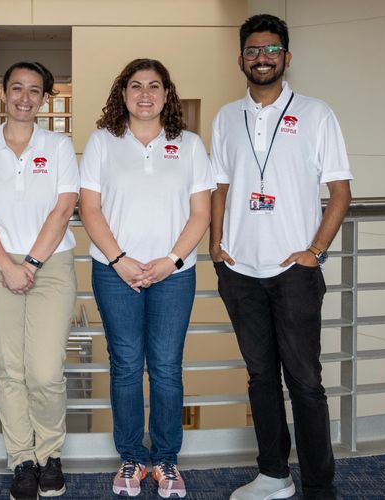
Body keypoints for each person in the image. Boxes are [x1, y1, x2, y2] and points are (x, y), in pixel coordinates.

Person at [212, 14, 353, 500]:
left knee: (306, 383)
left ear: (286, 58)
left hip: (293, 271)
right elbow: (221, 186)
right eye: (253, 51)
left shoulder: (316, 114)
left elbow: (340, 192)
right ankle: (273, 474)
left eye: (272, 50)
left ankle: (319, 485)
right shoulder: (227, 117)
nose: (262, 58)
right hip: (240, 271)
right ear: (241, 60)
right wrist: (216, 244)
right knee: (260, 379)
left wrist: (315, 251)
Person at [78, 58, 214, 499]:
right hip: (114, 272)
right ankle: (132, 457)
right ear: (123, 94)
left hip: (174, 274)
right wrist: (119, 259)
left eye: (154, 86)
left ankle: (167, 461)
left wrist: (171, 260)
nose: (144, 94)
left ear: (166, 94)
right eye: (135, 86)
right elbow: (90, 208)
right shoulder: (102, 142)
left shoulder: (190, 144)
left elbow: (201, 213)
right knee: (126, 366)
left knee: (166, 368)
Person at [0, 61, 79, 500]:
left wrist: (28, 264)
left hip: (50, 263)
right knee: (10, 369)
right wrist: (9, 267)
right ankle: (23, 460)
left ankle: (50, 453)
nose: (24, 98)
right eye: (17, 89)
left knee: (45, 372)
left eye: (34, 90)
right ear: (3, 93)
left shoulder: (61, 146)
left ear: (44, 98)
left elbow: (64, 208)